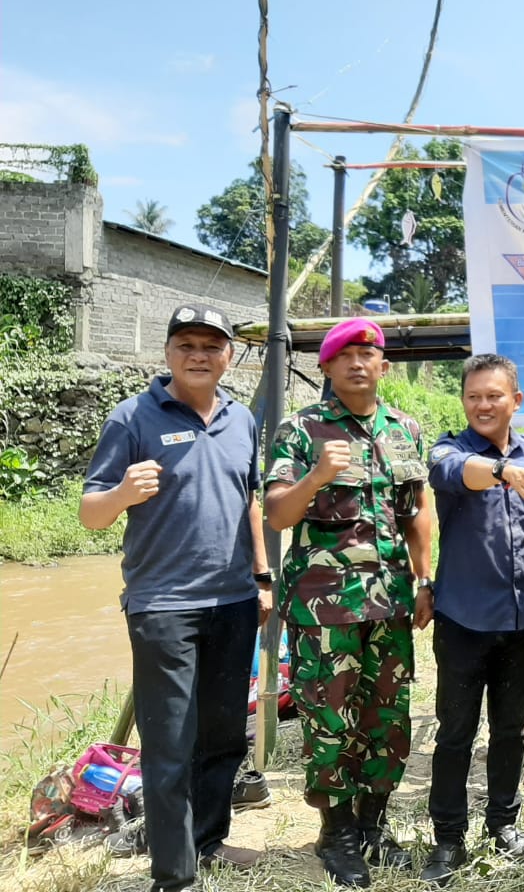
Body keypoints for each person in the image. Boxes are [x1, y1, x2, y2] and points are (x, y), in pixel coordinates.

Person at [80, 303, 268, 892]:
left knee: (223, 736)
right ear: (167, 353)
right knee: (168, 743)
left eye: (211, 347)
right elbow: (89, 514)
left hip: (235, 600)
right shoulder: (133, 417)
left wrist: (262, 577)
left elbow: (252, 499)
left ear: (228, 357)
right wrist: (122, 494)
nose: (198, 356)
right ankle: (173, 875)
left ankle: (209, 842)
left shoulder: (242, 420)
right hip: (163, 605)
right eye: (186, 345)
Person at [263, 318, 432, 889]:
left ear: (384, 366)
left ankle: (373, 825)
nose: (359, 363)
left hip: (391, 604)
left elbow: (416, 513)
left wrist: (425, 576)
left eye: (370, 354)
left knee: (386, 717)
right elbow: (278, 515)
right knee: (329, 719)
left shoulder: (404, 429)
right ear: (327, 367)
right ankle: (335, 833)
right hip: (323, 611)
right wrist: (319, 474)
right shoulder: (300, 429)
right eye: (346, 355)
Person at [420, 353, 524, 886]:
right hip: (463, 620)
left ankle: (503, 823)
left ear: (515, 401)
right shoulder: (450, 450)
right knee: (455, 733)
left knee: (511, 730)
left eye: (493, 396)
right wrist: (501, 470)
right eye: (473, 396)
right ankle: (448, 839)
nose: (482, 405)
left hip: (520, 620)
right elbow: (454, 473)